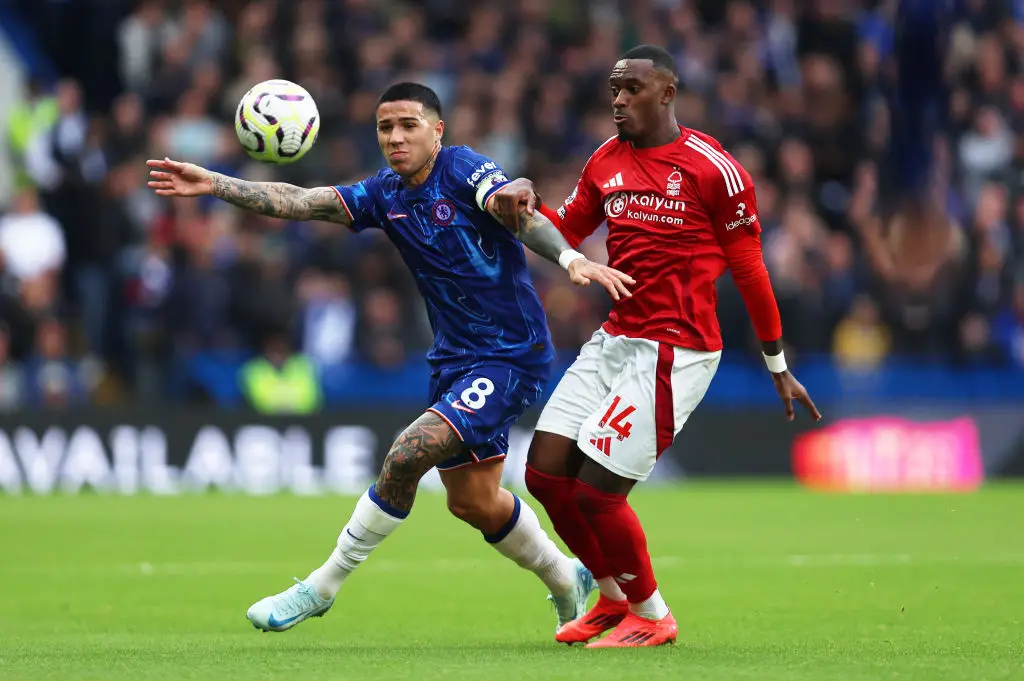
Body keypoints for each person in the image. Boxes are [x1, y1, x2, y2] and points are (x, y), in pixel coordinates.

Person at [147, 82, 635, 634]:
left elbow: (518, 211)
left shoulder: (465, 170)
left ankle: (320, 586)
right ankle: (567, 580)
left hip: (510, 356)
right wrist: (214, 183)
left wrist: (569, 256)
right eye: (385, 128)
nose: (396, 137)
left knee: (408, 452)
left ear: (437, 129)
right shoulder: (385, 193)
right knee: (474, 502)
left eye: (408, 125)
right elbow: (303, 202)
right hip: (454, 360)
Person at [492, 45, 822, 648]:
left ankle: (653, 613)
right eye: (614, 89)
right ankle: (613, 602)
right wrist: (524, 206)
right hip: (616, 337)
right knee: (542, 473)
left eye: (632, 89)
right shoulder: (605, 161)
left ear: (667, 93)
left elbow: (749, 267)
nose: (618, 100)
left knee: (597, 489)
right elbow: (565, 230)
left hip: (677, 348)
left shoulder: (712, 169)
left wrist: (776, 361)